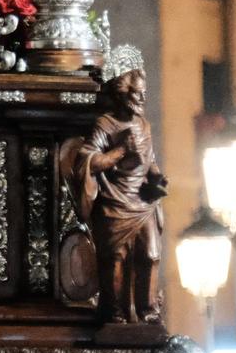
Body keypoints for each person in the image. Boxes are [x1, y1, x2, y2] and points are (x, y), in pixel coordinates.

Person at [59, 48, 166, 325]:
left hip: (142, 201)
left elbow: (148, 158)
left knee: (151, 254)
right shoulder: (105, 124)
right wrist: (119, 151)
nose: (143, 98)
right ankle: (114, 311)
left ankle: (148, 310)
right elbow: (88, 161)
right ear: (121, 94)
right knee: (115, 259)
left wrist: (157, 177)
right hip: (115, 200)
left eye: (144, 92)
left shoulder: (144, 124)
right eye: (136, 93)